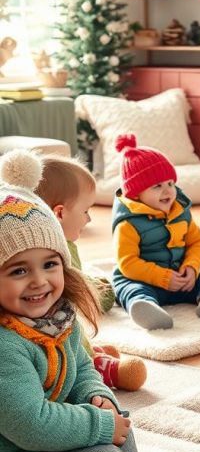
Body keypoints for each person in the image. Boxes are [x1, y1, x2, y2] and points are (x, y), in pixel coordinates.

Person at [0, 149, 141, 452]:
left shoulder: (56, 320)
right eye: (18, 270)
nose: (39, 281)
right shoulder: (5, 345)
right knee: (104, 451)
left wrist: (99, 399)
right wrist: (97, 426)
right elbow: (30, 425)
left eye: (50, 264)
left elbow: (82, 368)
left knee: (121, 429)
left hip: (31, 449)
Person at [112, 134, 200, 331]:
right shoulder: (128, 224)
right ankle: (146, 308)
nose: (167, 191)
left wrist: (191, 269)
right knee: (130, 289)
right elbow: (128, 263)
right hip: (143, 280)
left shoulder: (180, 212)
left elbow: (196, 242)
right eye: (157, 186)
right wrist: (162, 277)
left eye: (170, 184)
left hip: (180, 280)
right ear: (136, 193)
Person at [36, 155, 146, 390]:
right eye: (85, 211)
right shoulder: (57, 254)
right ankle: (104, 369)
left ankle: (92, 354)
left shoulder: (59, 247)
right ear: (59, 214)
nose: (89, 218)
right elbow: (68, 318)